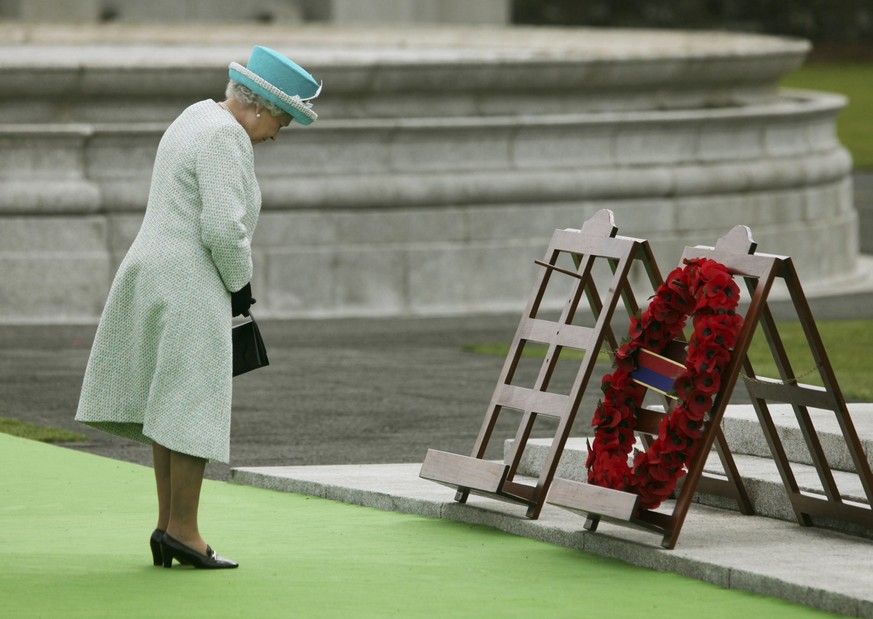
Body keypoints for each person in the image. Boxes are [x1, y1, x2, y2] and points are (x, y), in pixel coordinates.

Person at [75, 46, 322, 569]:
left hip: (151, 269)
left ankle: (169, 526)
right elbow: (222, 230)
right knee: (192, 405)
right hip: (190, 280)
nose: (278, 133)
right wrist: (241, 286)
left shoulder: (196, 115)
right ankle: (184, 531)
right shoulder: (227, 137)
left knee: (168, 404)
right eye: (281, 120)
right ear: (257, 108)